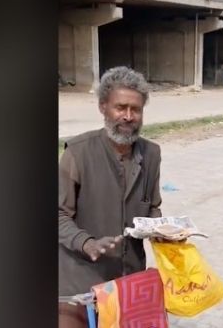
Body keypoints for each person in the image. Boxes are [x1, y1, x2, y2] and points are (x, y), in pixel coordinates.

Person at [58, 66, 163, 328]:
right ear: (103, 107)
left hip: (128, 282)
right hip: (81, 284)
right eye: (120, 107)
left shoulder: (151, 154)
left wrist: (162, 229)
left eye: (135, 109)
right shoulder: (78, 153)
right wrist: (87, 243)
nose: (128, 116)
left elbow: (153, 207)